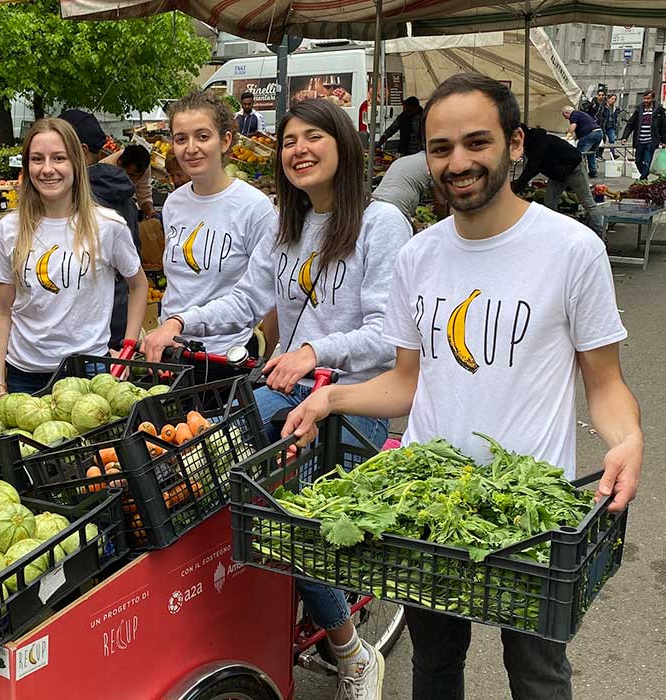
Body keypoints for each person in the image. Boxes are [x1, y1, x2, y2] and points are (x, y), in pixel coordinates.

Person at [284, 73, 643, 700]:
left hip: (529, 516)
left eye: (477, 142)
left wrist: (628, 439)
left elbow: (605, 383)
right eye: (441, 148)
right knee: (435, 664)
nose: (458, 163)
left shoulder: (571, 249)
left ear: (515, 143)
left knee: (537, 674)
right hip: (428, 508)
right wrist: (331, 397)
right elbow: (405, 383)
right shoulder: (417, 256)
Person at [145, 98, 412, 699]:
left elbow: (387, 334)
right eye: (289, 141)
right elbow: (246, 300)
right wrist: (181, 322)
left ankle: (352, 651)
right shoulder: (285, 225)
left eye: (314, 136)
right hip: (283, 393)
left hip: (352, 403)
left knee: (287, 524)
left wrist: (315, 350)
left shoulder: (381, 223)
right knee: (202, 472)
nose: (299, 150)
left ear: (343, 145)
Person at [0, 118, 147, 395]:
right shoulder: (10, 228)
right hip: (25, 376)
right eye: (37, 159)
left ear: (76, 163)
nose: (47, 169)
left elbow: (139, 285)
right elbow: (1, 310)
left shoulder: (108, 225)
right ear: (27, 166)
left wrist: (128, 349)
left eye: (59, 158)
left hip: (90, 373)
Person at [140, 91, 277, 377]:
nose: (191, 148)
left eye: (202, 136)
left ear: (225, 141)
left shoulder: (254, 207)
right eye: (181, 139)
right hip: (172, 350)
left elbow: (265, 294)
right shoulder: (174, 203)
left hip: (224, 357)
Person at [59, 109, 142, 350]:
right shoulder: (124, 193)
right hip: (117, 312)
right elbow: (133, 257)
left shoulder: (78, 198)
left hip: (85, 322)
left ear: (82, 150)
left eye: (59, 152)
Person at [513, 124, 604, 234]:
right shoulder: (533, 142)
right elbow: (534, 167)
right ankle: (553, 233)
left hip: (574, 169)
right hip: (558, 174)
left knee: (587, 202)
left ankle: (600, 232)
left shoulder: (538, 143)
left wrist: (516, 188)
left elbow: (532, 168)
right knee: (549, 205)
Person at [372, 151, 446, 221]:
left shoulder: (404, 159)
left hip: (374, 204)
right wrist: (442, 224)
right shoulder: (432, 165)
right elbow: (440, 204)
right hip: (397, 206)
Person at [622, 90, 666, 180]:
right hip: (639, 140)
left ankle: (642, 179)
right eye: (644, 98)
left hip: (651, 141)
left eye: (648, 99)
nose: (646, 101)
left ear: (652, 99)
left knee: (647, 161)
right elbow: (630, 124)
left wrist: (664, 141)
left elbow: (663, 126)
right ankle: (644, 178)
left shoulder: (659, 110)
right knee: (638, 161)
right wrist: (625, 137)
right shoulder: (639, 109)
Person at [102, 144, 155, 218]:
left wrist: (150, 211)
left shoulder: (143, 166)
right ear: (119, 164)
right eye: (131, 175)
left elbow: (144, 194)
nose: (135, 180)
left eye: (139, 176)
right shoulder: (105, 170)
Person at [562, 105, 602, 179]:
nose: (565, 118)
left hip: (589, 134)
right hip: (598, 132)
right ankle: (593, 172)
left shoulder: (573, 114)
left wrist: (567, 137)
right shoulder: (581, 114)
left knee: (579, 154)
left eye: (564, 116)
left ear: (567, 112)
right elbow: (583, 128)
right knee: (591, 153)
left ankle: (579, 173)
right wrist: (574, 138)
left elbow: (573, 125)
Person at [601, 93, 622, 160]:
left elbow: (615, 117)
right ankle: (599, 155)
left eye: (615, 99)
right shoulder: (603, 107)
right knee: (603, 140)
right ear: (608, 99)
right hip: (604, 126)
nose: (613, 101)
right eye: (612, 99)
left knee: (612, 140)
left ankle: (613, 154)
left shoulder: (614, 108)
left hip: (611, 126)